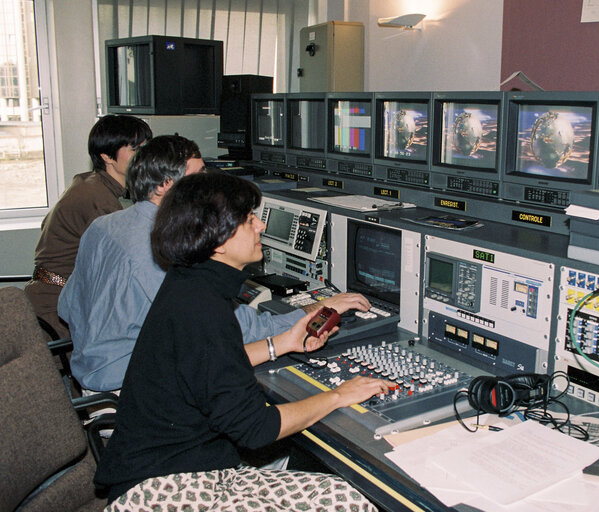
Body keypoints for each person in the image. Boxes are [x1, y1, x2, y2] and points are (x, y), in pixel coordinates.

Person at [94, 172, 390, 510]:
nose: (260, 226)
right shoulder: (203, 309)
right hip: (166, 488)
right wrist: (339, 394)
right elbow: (256, 429)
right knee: (348, 501)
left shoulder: (189, 283)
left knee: (336, 489)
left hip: (172, 467)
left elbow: (203, 366)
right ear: (218, 240)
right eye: (249, 219)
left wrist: (281, 344)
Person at [59, 135, 370, 394]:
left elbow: (66, 306)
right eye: (198, 176)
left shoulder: (103, 227)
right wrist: (318, 309)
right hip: (127, 390)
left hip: (88, 375)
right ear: (166, 186)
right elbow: (235, 331)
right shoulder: (165, 251)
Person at [25, 114, 152, 339]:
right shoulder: (97, 198)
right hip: (55, 312)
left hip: (54, 299)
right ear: (106, 156)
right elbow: (129, 261)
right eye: (135, 150)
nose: (145, 156)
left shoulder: (91, 184)